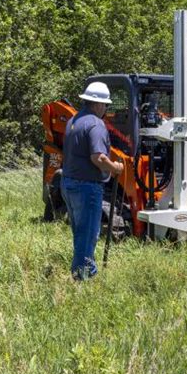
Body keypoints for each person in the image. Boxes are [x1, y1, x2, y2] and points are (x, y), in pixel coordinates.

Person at [61, 81, 123, 280]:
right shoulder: (96, 124)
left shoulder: (74, 120)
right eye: (105, 105)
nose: (106, 109)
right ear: (97, 104)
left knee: (80, 232)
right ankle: (84, 277)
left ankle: (81, 271)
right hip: (86, 187)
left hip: (68, 183)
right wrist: (115, 168)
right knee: (88, 234)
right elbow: (98, 157)